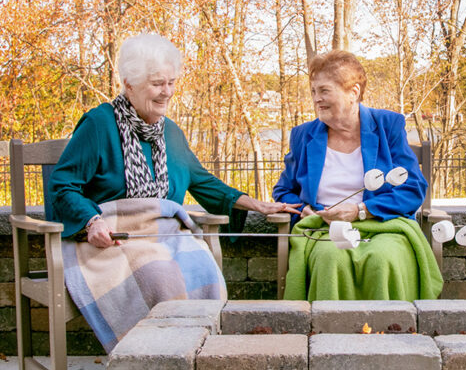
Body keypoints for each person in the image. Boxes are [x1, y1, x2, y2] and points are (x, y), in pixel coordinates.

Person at [48, 33, 299, 351]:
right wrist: (91, 222)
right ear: (130, 84)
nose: (167, 91)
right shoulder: (99, 124)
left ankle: (197, 353)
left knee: (201, 264)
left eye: (171, 82)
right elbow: (63, 185)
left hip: (164, 233)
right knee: (158, 272)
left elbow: (204, 182)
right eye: (157, 83)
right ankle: (154, 359)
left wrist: (260, 206)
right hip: (113, 239)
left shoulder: (170, 133)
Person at [273, 50, 443, 301]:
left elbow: (413, 188)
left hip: (384, 226)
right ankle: (327, 336)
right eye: (313, 92)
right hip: (325, 229)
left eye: (324, 91)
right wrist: (303, 210)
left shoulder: (387, 126)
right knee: (331, 260)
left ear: (353, 92)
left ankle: (392, 334)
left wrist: (361, 210)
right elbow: (283, 191)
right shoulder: (303, 135)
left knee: (382, 259)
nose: (316, 99)